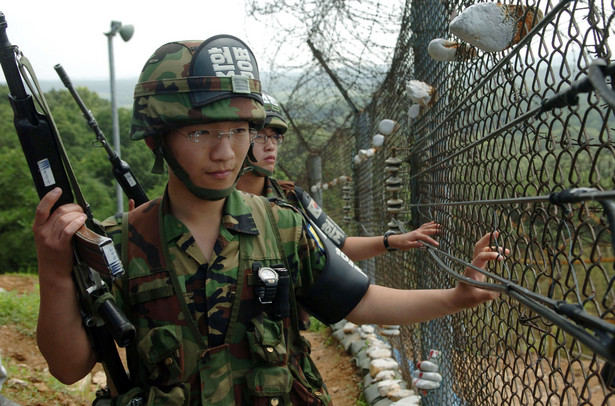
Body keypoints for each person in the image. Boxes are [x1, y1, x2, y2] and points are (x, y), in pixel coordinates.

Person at [33, 36, 505, 405]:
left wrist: (454, 297)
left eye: (239, 131)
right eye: (200, 132)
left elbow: (359, 301)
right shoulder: (121, 243)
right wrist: (55, 274)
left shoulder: (283, 225)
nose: (225, 153)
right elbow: (69, 366)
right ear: (159, 140)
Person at [236, 94, 441, 329]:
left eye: (276, 136)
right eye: (260, 136)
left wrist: (392, 240)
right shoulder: (209, 207)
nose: (271, 145)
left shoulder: (291, 199)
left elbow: (339, 246)